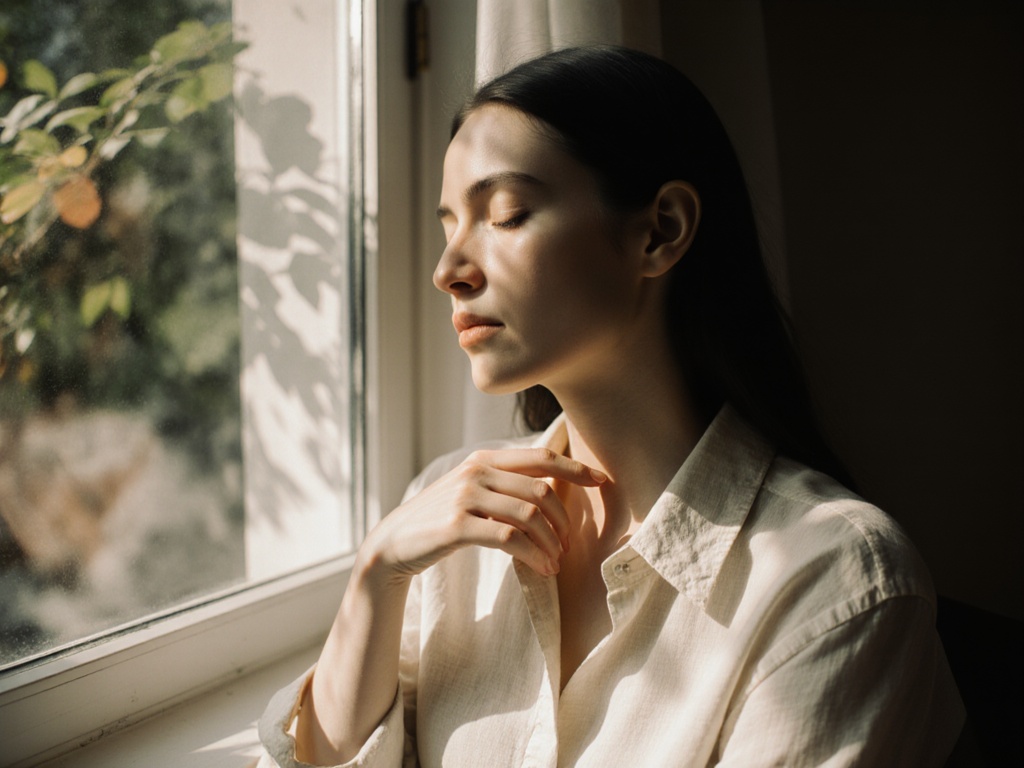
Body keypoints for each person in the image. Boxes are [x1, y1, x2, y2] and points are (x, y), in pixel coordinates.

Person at [257, 46, 964, 767]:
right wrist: (377, 575)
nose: (449, 272)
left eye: (505, 216)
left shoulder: (837, 584)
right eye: (448, 228)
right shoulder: (446, 529)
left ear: (659, 230)